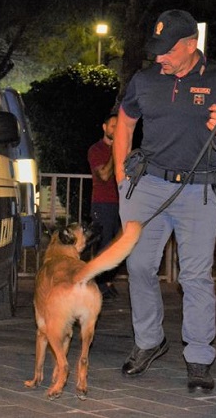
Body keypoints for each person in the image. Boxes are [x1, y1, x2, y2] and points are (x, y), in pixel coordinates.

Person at [113, 9, 216, 392]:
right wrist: (119, 178)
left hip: (199, 189)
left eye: (166, 51)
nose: (158, 57)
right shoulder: (144, 80)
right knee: (140, 267)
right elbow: (125, 122)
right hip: (146, 187)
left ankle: (198, 357)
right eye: (155, 49)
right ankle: (149, 342)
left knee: (195, 276)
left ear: (191, 45)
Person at [87, 112, 121, 299]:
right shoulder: (96, 150)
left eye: (119, 127)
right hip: (103, 203)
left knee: (121, 244)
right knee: (104, 244)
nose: (116, 130)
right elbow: (105, 175)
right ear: (104, 127)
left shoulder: (123, 148)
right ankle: (99, 285)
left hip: (121, 204)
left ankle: (107, 281)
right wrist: (116, 151)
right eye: (113, 126)